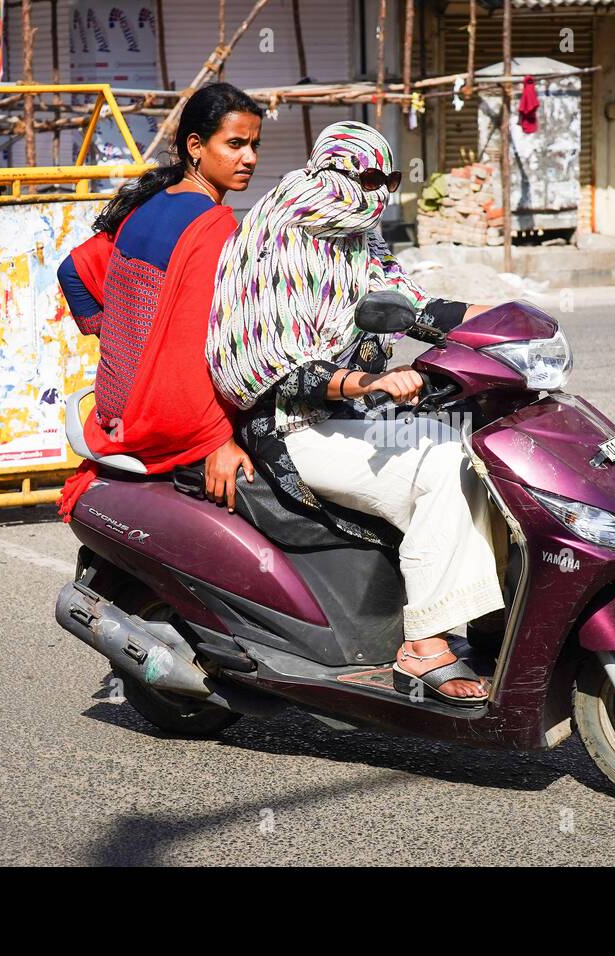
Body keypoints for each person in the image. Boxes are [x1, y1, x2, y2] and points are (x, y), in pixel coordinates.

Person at [207, 121, 503, 707]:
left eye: (390, 179)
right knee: (444, 464)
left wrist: (500, 319)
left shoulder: (360, 236)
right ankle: (423, 644)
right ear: (332, 174)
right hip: (291, 424)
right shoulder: (282, 236)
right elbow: (274, 362)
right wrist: (368, 381)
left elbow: (411, 307)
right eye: (371, 178)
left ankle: (488, 620)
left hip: (353, 412)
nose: (383, 192)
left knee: (480, 451)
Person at [56, 82, 263, 519]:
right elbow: (195, 348)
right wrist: (216, 440)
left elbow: (72, 271)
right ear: (195, 146)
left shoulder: (146, 205)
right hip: (158, 419)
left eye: (254, 145)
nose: (250, 158)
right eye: (236, 144)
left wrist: (119, 333)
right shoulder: (214, 227)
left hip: (112, 404)